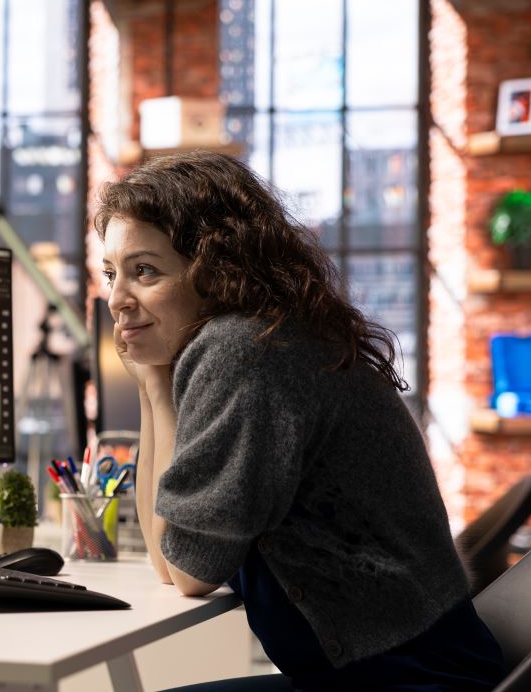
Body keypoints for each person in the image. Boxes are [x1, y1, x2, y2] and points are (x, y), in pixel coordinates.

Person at [96, 151, 506, 691]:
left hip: (408, 679)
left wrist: (157, 387)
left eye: (143, 270)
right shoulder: (267, 333)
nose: (116, 299)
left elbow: (186, 573)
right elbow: (170, 558)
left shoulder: (242, 351)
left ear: (216, 268)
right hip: (396, 664)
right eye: (110, 272)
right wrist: (153, 385)